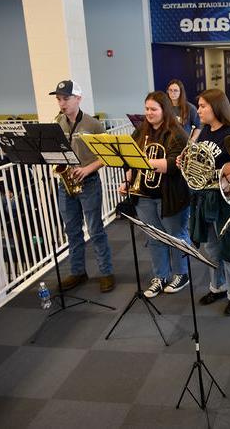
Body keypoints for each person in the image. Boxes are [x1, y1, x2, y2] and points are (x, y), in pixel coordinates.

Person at [183, 88, 230, 316]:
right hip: (207, 199)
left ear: (216, 107)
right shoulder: (204, 133)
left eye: (203, 106)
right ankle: (218, 287)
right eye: (199, 106)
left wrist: (227, 177)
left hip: (228, 200)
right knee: (212, 248)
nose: (199, 110)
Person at [117, 91, 191, 298]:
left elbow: (175, 165)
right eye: (146, 109)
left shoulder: (177, 134)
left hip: (171, 195)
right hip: (144, 196)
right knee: (154, 237)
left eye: (153, 109)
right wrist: (127, 181)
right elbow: (130, 161)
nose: (149, 113)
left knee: (174, 236)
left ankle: (181, 274)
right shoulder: (140, 132)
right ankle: (160, 276)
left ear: (164, 110)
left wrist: (145, 163)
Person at [50, 80, 115, 292]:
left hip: (88, 182)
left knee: (95, 230)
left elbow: (107, 156)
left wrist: (87, 169)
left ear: (78, 99)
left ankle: (106, 272)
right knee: (72, 230)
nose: (62, 103)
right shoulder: (57, 122)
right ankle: (78, 271)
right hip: (66, 183)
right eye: (59, 99)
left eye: (66, 98)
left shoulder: (93, 124)